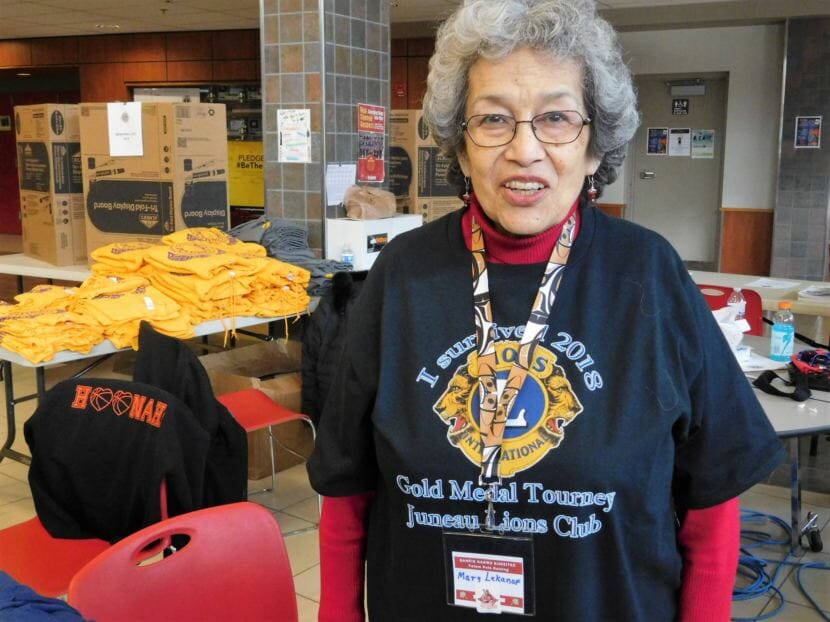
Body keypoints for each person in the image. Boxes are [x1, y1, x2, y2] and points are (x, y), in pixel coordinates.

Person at [308, 1, 785, 620]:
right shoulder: (402, 273)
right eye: (493, 119)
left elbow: (711, 504)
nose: (524, 150)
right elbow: (348, 492)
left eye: (556, 118)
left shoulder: (648, 274)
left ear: (594, 147)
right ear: (459, 146)